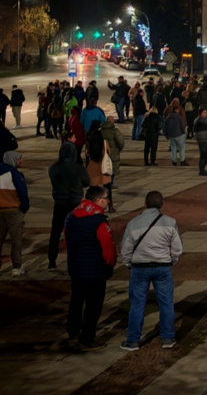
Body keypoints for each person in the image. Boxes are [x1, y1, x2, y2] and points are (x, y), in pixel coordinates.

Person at [120, 191, 183, 351]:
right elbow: (177, 248)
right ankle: (168, 337)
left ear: (145, 204)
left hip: (140, 267)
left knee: (137, 304)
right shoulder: (170, 222)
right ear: (161, 205)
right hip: (162, 266)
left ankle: (133, 340)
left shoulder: (134, 223)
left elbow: (125, 249)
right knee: (166, 303)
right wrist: (172, 261)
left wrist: (129, 264)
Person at [64, 186, 117, 351]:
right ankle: (87, 338)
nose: (108, 201)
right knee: (93, 305)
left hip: (76, 266)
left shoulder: (72, 216)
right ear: (98, 200)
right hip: (95, 270)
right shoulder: (99, 221)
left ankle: (73, 332)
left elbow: (67, 240)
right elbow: (108, 248)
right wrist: (110, 264)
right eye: (106, 198)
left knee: (77, 301)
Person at [48, 141, 90, 270]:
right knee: (75, 232)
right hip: (74, 203)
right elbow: (87, 182)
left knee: (55, 232)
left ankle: (51, 259)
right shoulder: (78, 168)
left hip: (59, 203)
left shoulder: (54, 167)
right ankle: (75, 258)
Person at [0, 151, 30, 276]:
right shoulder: (15, 174)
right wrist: (24, 208)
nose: (21, 161)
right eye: (19, 159)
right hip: (13, 211)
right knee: (16, 241)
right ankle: (16, 267)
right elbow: (23, 194)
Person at [163, 100, 188, 167]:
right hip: (178, 134)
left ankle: (174, 161)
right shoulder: (178, 117)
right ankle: (182, 161)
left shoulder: (167, 118)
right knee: (182, 147)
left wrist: (166, 135)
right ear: (176, 110)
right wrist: (184, 132)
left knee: (173, 148)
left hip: (171, 136)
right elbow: (181, 126)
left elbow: (165, 127)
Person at [192, 108, 207, 177]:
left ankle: (203, 168)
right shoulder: (199, 119)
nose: (205, 113)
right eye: (204, 112)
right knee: (203, 154)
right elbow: (204, 120)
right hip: (202, 139)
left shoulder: (206, 120)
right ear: (200, 113)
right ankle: (201, 170)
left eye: (206, 112)